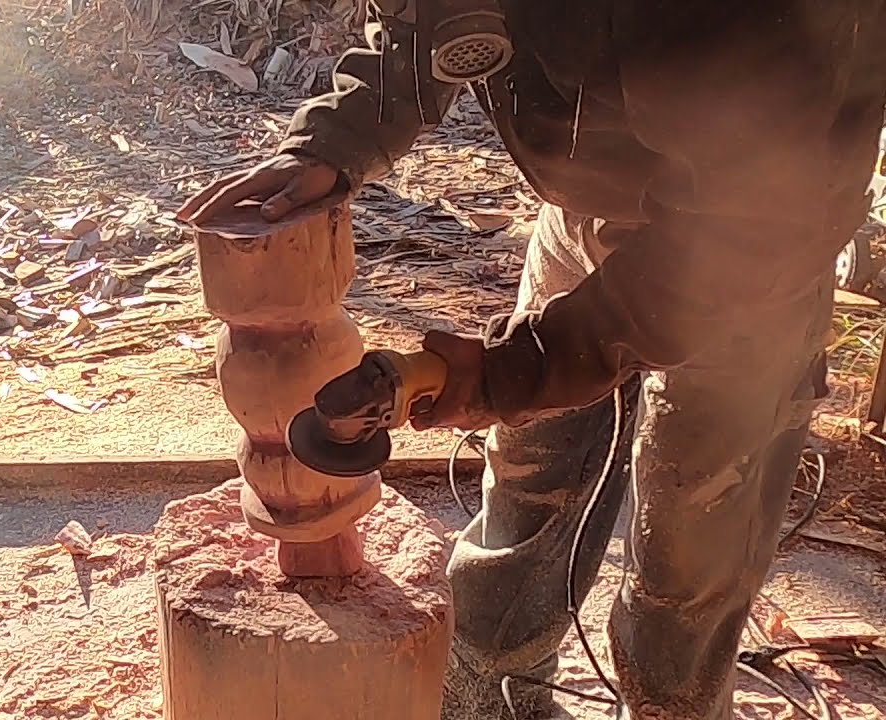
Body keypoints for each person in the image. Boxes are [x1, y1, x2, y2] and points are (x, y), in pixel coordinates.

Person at [177, 2, 886, 719]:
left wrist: (515, 368)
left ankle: (672, 704)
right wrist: (334, 141)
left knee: (690, 569)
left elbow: (735, 242)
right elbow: (435, 31)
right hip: (591, 208)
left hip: (750, 258)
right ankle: (492, 696)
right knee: (531, 482)